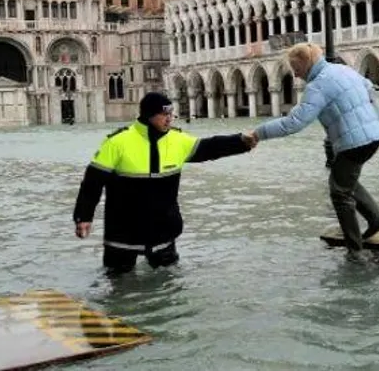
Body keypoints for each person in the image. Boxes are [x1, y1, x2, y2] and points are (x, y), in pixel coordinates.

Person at [73, 92, 255, 275]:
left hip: (164, 232)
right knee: (117, 287)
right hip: (123, 233)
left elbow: (211, 147)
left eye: (171, 114)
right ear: (149, 115)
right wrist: (84, 216)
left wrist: (241, 142)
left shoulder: (178, 140)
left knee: (170, 285)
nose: (170, 119)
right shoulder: (117, 142)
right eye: (164, 114)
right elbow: (92, 182)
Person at [247, 43, 379, 260]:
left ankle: (355, 250)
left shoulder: (318, 86)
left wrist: (258, 133)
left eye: (295, 67)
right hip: (373, 136)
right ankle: (376, 219)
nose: (294, 73)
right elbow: (370, 87)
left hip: (355, 142)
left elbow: (294, 123)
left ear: (306, 63)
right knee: (345, 179)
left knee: (339, 192)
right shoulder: (342, 69)